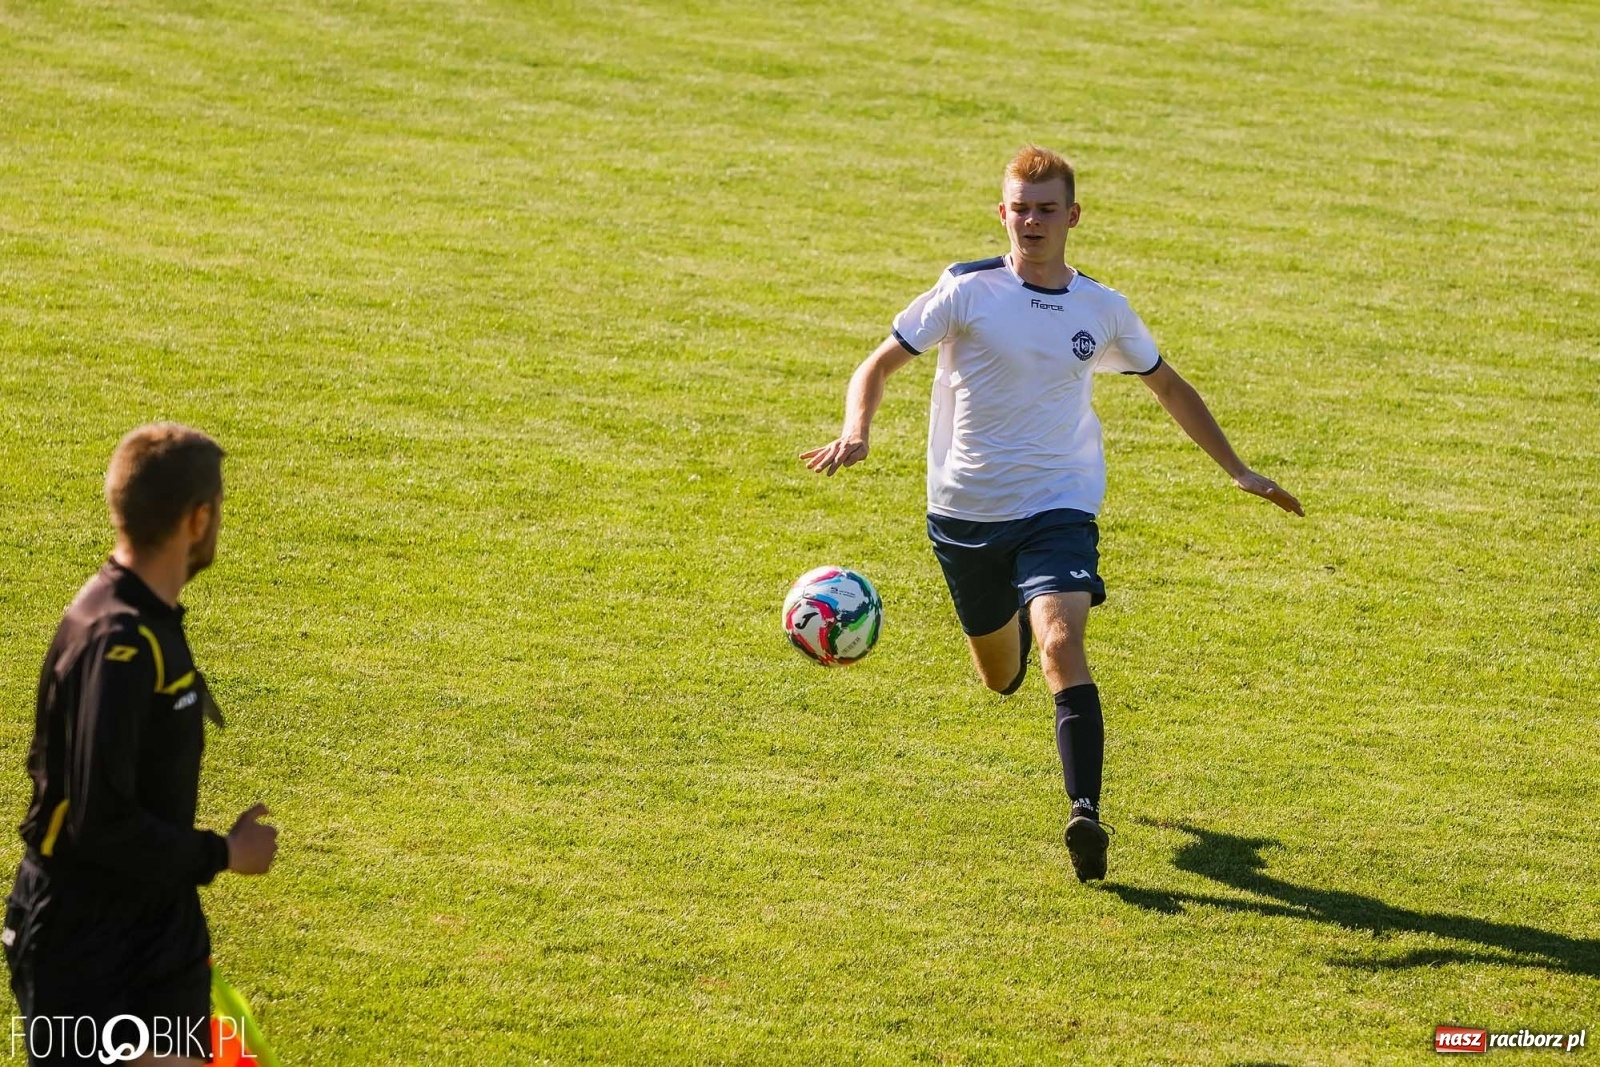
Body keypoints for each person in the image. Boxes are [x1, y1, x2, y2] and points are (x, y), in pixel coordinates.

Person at [802, 146, 1302, 883]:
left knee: (1060, 640)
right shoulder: (965, 290)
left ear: (1072, 216)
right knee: (1000, 675)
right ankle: (1011, 644)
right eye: (1019, 206)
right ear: (1001, 213)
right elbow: (876, 365)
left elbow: (1167, 385)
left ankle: (1085, 810)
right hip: (964, 515)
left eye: (1046, 208)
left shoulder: (1101, 309)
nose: (1032, 219)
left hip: (1057, 505)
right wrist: (856, 430)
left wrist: (1238, 469)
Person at [4, 423, 279, 1066]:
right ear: (197, 518)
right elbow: (100, 821)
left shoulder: (144, 620)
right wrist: (224, 852)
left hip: (155, 927)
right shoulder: (119, 643)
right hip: (87, 942)